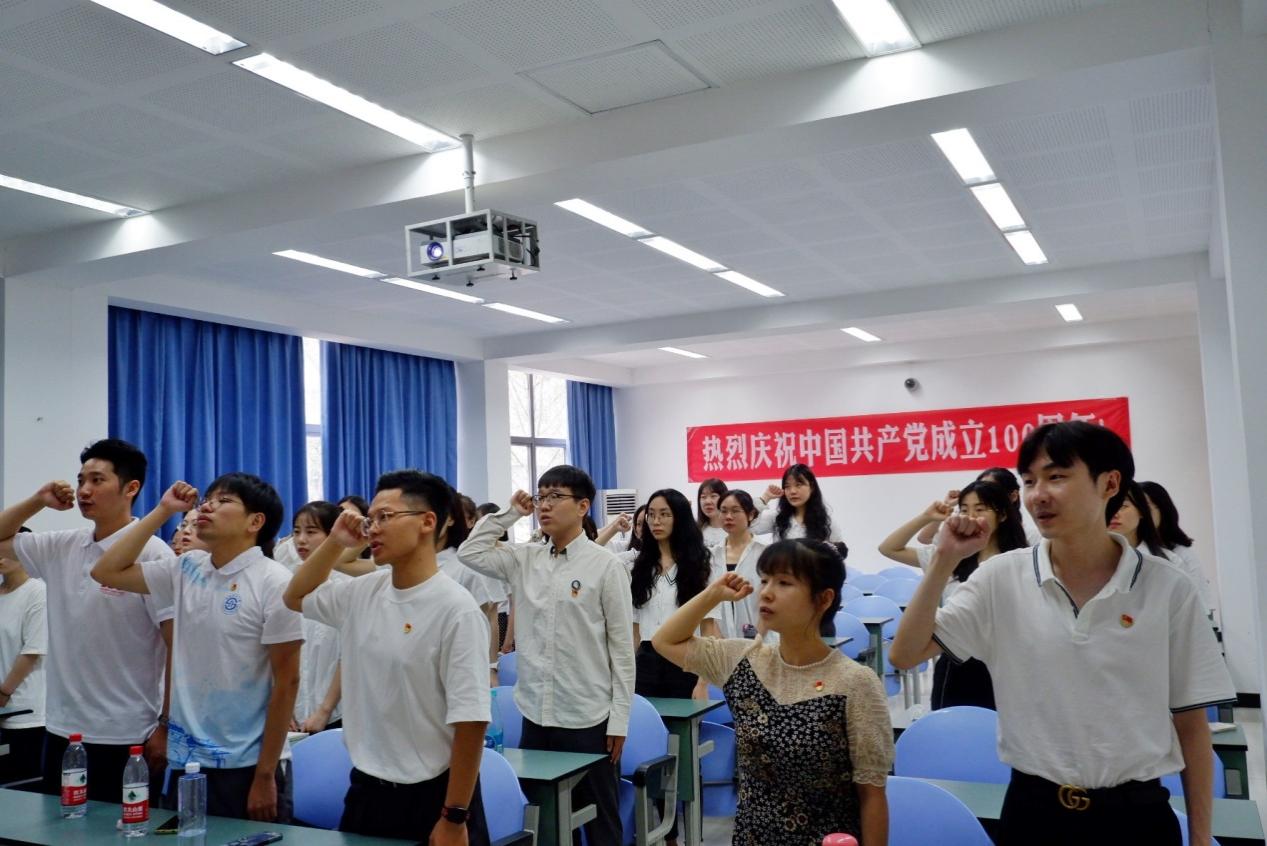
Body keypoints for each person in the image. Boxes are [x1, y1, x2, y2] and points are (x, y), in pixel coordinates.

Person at [891, 421, 1235, 846]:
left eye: (1056, 477)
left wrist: (1200, 839)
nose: (1038, 494)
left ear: (1109, 483)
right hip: (1034, 813)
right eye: (1029, 481)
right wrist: (943, 560)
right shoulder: (1000, 578)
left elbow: (1192, 724)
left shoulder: (1167, 587)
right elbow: (905, 654)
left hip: (1136, 815)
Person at [284, 471, 492, 845]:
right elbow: (294, 597)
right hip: (368, 787)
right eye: (371, 519)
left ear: (427, 522)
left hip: (436, 795)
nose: (373, 529)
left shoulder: (455, 609)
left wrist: (455, 815)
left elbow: (471, 722)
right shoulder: (362, 592)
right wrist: (334, 542)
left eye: (385, 517)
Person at [91, 473, 304, 823]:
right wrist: (162, 511)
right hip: (187, 760)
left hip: (248, 764)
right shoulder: (187, 568)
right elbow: (105, 571)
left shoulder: (274, 581)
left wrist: (265, 774)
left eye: (224, 501)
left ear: (255, 522)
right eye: (208, 499)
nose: (207, 507)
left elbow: (287, 682)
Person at [652, 540, 893, 845]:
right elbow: (665, 641)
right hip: (753, 837)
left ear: (823, 599)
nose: (766, 592)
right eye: (764, 580)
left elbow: (872, 795)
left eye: (784, 583)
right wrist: (713, 594)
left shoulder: (855, 682)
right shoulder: (743, 659)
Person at [460, 465, 635, 846]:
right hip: (536, 713)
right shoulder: (525, 559)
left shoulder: (606, 566)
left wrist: (619, 720)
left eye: (557, 496)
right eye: (542, 496)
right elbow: (470, 552)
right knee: (544, 819)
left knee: (601, 820)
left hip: (588, 716)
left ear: (583, 506)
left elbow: (622, 652)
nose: (545, 505)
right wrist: (510, 513)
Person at [0, 439, 173, 801]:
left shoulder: (155, 555)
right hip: (62, 729)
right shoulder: (63, 545)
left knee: (123, 828)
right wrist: (38, 500)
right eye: (80, 480)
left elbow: (177, 649)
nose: (83, 491)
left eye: (97, 480)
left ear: (131, 488)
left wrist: (165, 725)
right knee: (59, 825)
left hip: (128, 732)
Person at [878, 480, 1027, 709]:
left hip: (1010, 665)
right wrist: (927, 517)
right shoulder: (950, 556)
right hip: (957, 660)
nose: (971, 516)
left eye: (980, 509)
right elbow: (889, 548)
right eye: (964, 509)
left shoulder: (1021, 559)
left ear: (1003, 515)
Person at [632, 489, 721, 699]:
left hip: (686, 659)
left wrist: (703, 682)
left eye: (664, 514)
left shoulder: (702, 564)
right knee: (645, 719)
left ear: (679, 518)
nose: (656, 521)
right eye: (651, 515)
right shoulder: (639, 566)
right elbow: (635, 631)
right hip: (645, 663)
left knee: (684, 720)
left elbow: (709, 629)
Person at [288, 501, 346, 733]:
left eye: (311, 532)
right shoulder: (284, 584)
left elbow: (348, 657)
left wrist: (324, 710)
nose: (301, 540)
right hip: (293, 713)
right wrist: (285, 706)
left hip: (337, 714)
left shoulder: (345, 588)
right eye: (296, 532)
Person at [0, 528, 47, 784]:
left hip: (25, 711)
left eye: (7, 550)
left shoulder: (37, 592)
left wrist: (4, 692)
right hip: (2, 708)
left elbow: (33, 651)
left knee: (21, 786)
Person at [1141, 481, 1215, 617]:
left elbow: (1202, 608)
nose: (1140, 515)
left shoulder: (1181, 554)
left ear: (1163, 509)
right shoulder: (1126, 551)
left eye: (1145, 508)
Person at [711, 490, 766, 638]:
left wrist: (758, 637)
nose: (728, 516)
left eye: (735, 511)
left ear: (751, 514)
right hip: (721, 640)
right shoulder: (711, 556)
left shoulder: (766, 552)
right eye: (723, 511)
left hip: (762, 638)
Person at [753, 464, 843, 543]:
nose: (792, 491)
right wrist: (765, 498)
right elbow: (750, 527)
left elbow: (838, 551)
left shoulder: (826, 522)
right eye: (787, 486)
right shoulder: (777, 518)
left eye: (798, 485)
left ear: (811, 487)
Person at [696, 478, 729, 548]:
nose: (707, 502)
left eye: (713, 496)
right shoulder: (696, 531)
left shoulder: (734, 530)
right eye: (703, 497)